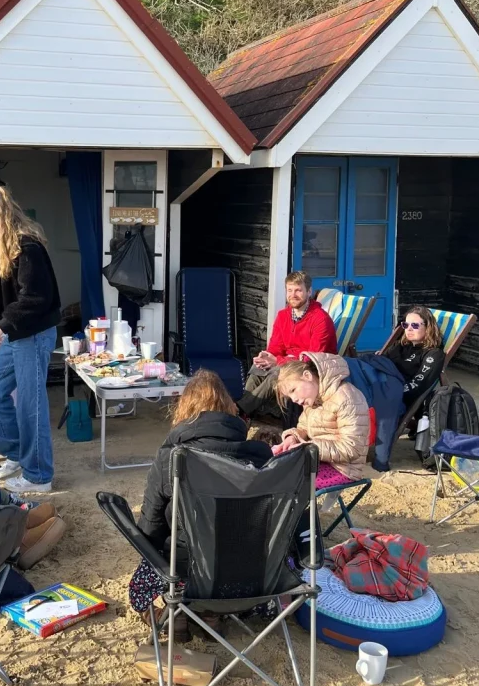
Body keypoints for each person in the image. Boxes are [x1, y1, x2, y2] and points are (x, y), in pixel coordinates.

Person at [130, 370, 273, 641]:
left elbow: (150, 529)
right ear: (230, 409)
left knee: (153, 563)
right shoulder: (261, 457)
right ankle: (211, 615)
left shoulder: (170, 458)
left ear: (184, 411)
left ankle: (178, 614)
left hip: (189, 571)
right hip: (251, 579)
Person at [0, 185, 61, 495]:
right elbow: (19, 285)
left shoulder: (27, 244)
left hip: (32, 334)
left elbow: (36, 296)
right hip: (19, 332)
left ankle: (38, 476)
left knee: (29, 406)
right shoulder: (3, 241)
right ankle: (19, 455)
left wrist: (2, 325)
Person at [236, 271, 338, 420]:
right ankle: (244, 416)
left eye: (298, 290)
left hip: (314, 368)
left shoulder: (320, 319)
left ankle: (240, 410)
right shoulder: (283, 316)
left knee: (277, 375)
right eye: (289, 290)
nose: (293, 295)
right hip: (288, 361)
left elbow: (312, 359)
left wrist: (278, 361)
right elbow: (275, 348)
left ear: (309, 291)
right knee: (257, 368)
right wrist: (266, 356)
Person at [276, 353, 370, 484]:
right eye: (289, 396)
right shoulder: (313, 399)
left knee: (286, 480)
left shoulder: (347, 398)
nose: (294, 399)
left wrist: (309, 448)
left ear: (307, 376)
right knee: (272, 467)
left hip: (343, 468)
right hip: (319, 459)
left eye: (293, 390)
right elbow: (303, 428)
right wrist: (293, 438)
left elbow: (352, 449)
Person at [384, 306, 445, 409]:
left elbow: (416, 386)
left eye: (415, 325)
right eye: (406, 325)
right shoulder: (399, 346)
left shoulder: (433, 354)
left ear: (428, 327)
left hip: (392, 399)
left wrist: (385, 390)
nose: (409, 329)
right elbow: (379, 363)